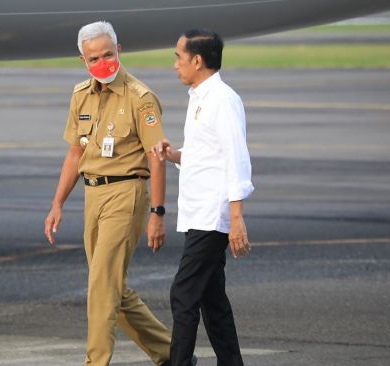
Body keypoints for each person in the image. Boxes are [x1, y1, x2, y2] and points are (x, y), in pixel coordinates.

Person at [44, 21, 179, 366]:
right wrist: (57, 203)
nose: (102, 61)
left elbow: (157, 157)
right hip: (93, 196)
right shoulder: (81, 95)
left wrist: (158, 214)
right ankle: (172, 354)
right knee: (112, 288)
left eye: (108, 53)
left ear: (119, 51)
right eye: (94, 58)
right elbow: (76, 153)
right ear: (83, 60)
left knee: (101, 288)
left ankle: (96, 362)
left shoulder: (140, 97)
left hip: (126, 193)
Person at [152, 28, 254, 366]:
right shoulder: (199, 98)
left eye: (179, 58)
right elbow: (205, 155)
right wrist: (174, 155)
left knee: (183, 294)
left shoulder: (223, 100)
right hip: (198, 214)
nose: (175, 65)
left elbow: (236, 160)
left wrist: (236, 219)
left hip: (213, 216)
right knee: (212, 301)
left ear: (198, 60)